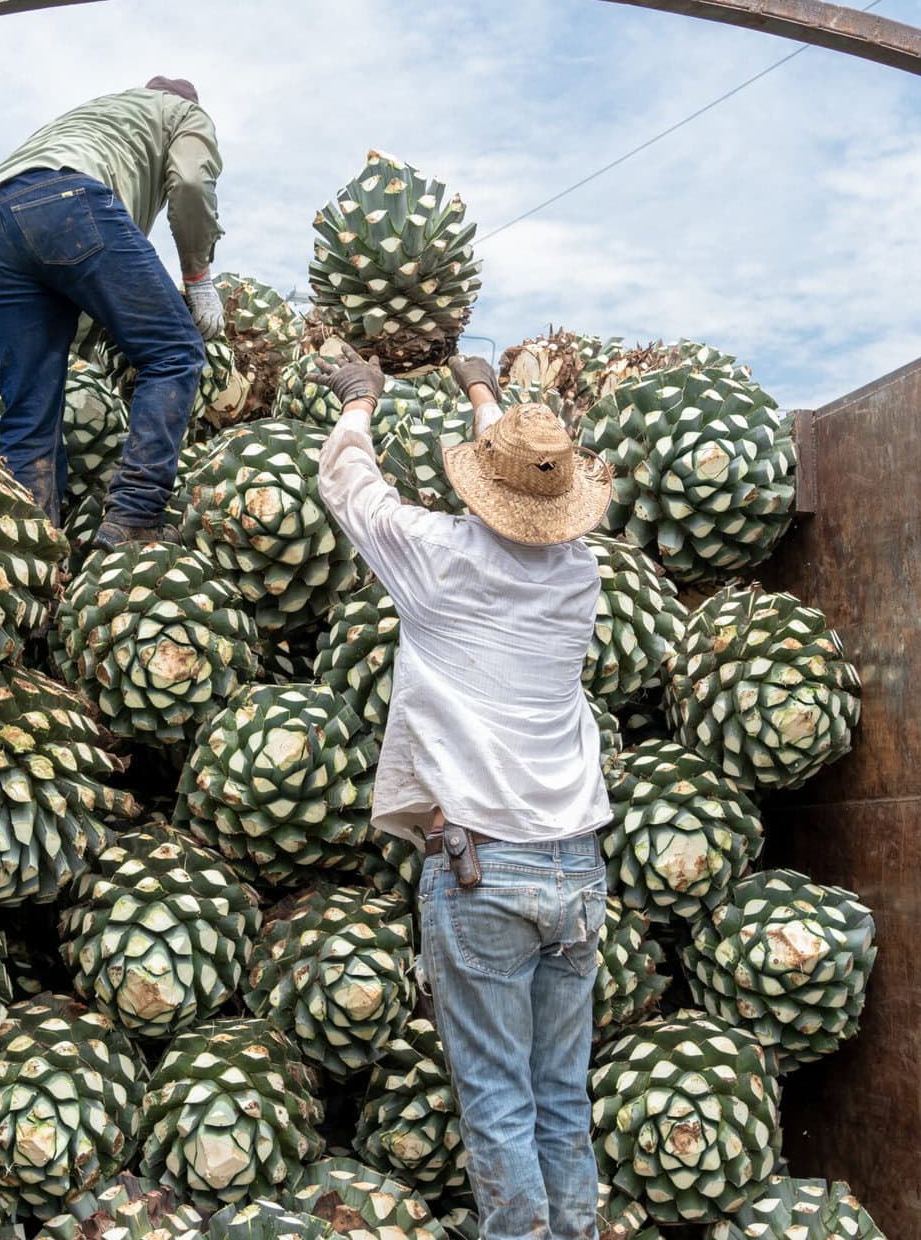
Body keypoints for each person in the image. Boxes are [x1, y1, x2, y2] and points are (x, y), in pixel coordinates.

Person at [314, 348, 614, 1240]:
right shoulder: (580, 579)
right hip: (577, 872)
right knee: (560, 1094)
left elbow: (349, 488)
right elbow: (521, 490)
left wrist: (361, 403)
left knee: (494, 1097)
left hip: (482, 868)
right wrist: (485, 392)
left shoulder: (436, 560)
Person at [0, 76, 224, 543]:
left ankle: (32, 564)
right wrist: (197, 275)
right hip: (67, 199)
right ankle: (135, 514)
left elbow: (74, 279)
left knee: (29, 416)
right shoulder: (183, 113)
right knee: (175, 352)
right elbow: (189, 183)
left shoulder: (100, 114)